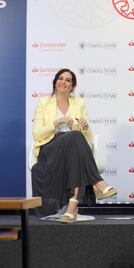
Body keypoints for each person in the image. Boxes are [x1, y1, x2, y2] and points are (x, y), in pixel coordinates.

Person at [31, 68, 117, 223]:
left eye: (68, 80)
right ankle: (98, 183)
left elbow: (86, 137)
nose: (63, 82)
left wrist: (84, 127)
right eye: (60, 78)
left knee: (76, 141)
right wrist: (57, 122)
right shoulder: (44, 102)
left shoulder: (79, 103)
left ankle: (72, 205)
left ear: (72, 87)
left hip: (71, 147)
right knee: (74, 138)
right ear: (55, 82)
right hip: (49, 148)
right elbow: (37, 133)